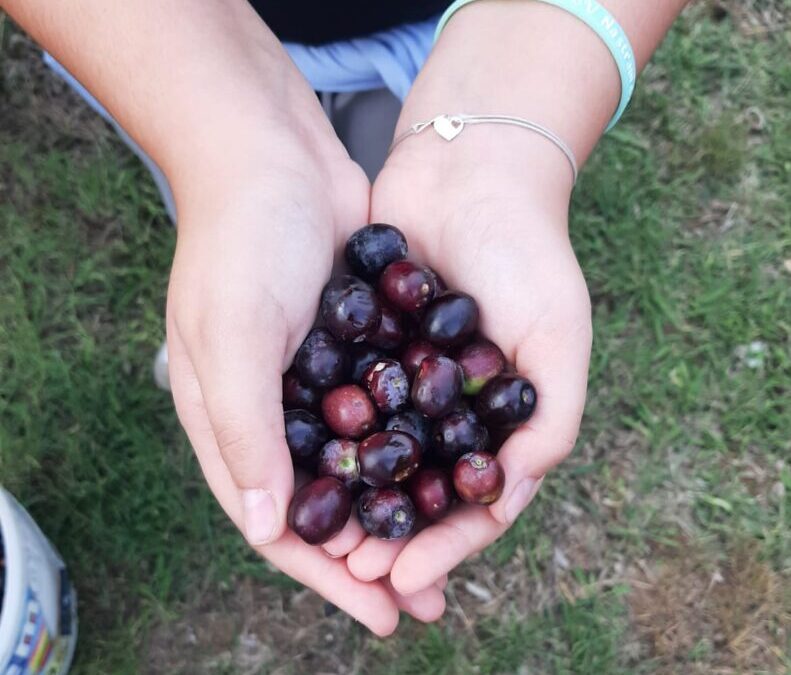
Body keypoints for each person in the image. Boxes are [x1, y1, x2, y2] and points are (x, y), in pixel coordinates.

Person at [2, 0, 689, 635]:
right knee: (243, 244)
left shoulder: (402, 393)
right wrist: (226, 160)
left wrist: (508, 141)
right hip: (168, 57)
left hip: (470, 43)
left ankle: (247, 323)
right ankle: (238, 322)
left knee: (308, 244)